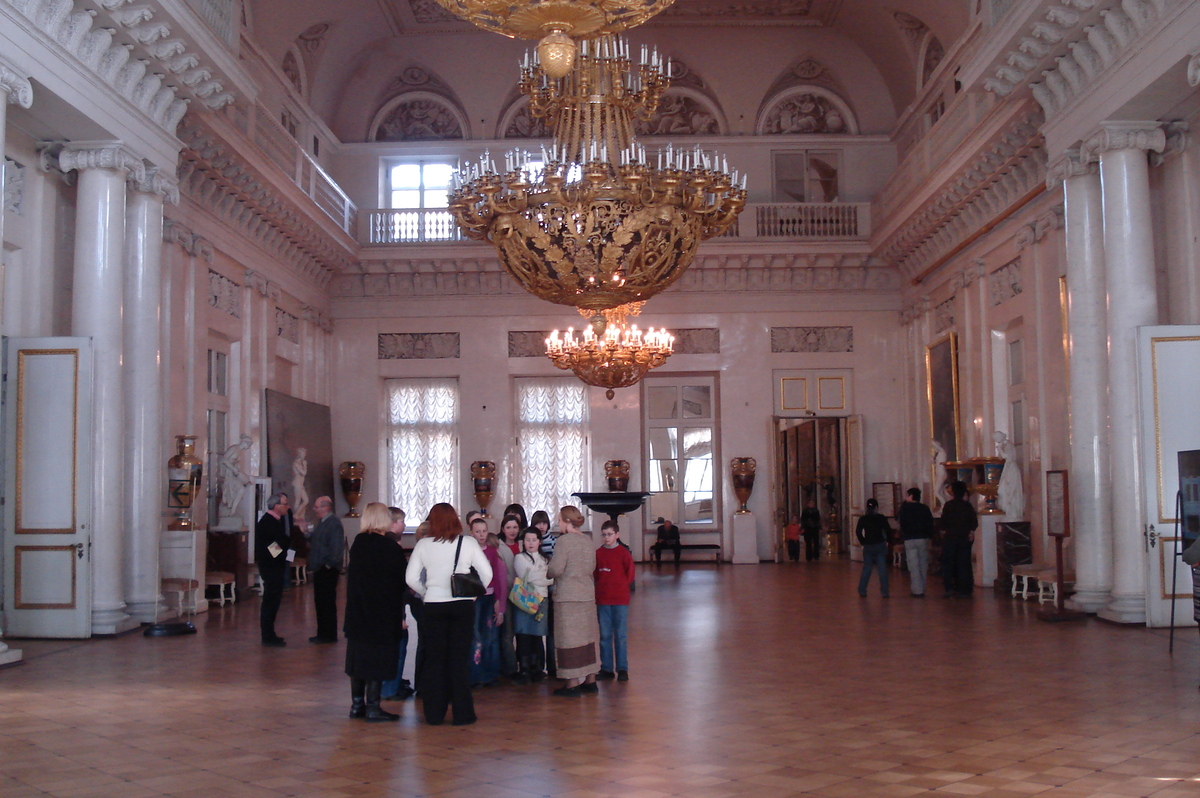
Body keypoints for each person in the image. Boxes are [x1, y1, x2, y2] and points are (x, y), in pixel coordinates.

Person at [405, 503, 492, 726]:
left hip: (434, 605)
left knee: (435, 660)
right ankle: (463, 714)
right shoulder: (468, 542)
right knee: (459, 660)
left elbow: (411, 578)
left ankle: (434, 714)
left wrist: (426, 593)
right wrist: (471, 596)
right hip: (462, 606)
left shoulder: (424, 545)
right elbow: (487, 573)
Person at [342, 503, 407, 722]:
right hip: (381, 614)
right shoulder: (389, 548)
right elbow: (399, 584)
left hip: (358, 612)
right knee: (377, 660)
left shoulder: (358, 544)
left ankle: (356, 705)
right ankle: (373, 706)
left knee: (358, 659)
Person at [546, 505, 600, 696]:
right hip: (586, 594)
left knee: (568, 640)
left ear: (567, 521)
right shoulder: (587, 540)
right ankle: (591, 680)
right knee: (588, 638)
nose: (558, 524)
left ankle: (572, 683)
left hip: (568, 597)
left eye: (559, 520)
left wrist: (547, 568)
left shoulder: (564, 542)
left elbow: (556, 569)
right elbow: (592, 566)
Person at [381, 507, 415, 701]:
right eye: (402, 521)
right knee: (399, 647)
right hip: (393, 609)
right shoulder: (391, 547)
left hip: (389, 608)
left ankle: (393, 683)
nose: (403, 525)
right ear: (393, 523)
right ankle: (391, 688)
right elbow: (398, 583)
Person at [468, 517, 506, 688]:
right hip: (474, 598)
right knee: (475, 636)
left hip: (489, 598)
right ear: (471, 533)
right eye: (478, 531)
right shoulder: (467, 551)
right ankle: (474, 676)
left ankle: (489, 674)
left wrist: (498, 599)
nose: (481, 535)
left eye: (484, 531)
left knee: (489, 636)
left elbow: (496, 577)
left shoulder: (491, 551)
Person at [594, 520, 634, 682]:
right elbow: (595, 574)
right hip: (603, 599)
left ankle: (622, 668)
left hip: (620, 599)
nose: (606, 538)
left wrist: (621, 586)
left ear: (617, 535)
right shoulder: (598, 553)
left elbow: (630, 574)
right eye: (604, 535)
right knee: (604, 635)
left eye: (610, 534)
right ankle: (607, 668)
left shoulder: (624, 553)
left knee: (620, 635)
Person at [513, 528, 552, 681]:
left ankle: (537, 668)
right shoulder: (519, 558)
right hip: (525, 599)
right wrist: (542, 575)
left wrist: (537, 575)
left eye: (534, 540)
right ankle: (524, 668)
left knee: (538, 634)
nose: (530, 543)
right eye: (527, 540)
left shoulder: (546, 559)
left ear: (539, 542)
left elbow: (551, 578)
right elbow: (525, 577)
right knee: (523, 634)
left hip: (542, 599)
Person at [254, 492, 292, 647]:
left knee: (274, 601)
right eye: (285, 504)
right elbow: (269, 547)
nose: (287, 507)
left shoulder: (276, 520)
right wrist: (283, 551)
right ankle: (267, 635)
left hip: (274, 566)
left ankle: (270, 633)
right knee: (270, 602)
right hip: (271, 567)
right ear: (277, 506)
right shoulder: (267, 522)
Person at [308, 495, 344, 643]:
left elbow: (336, 548)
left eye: (316, 507)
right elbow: (318, 541)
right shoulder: (322, 522)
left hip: (327, 569)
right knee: (321, 602)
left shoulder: (333, 523)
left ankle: (328, 634)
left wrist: (328, 565)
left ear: (326, 508)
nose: (314, 509)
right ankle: (322, 633)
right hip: (320, 568)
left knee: (327, 602)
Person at [941, 480, 978, 598]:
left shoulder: (949, 505)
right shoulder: (967, 506)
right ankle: (964, 589)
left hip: (950, 538)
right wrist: (970, 531)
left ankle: (949, 588)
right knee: (964, 564)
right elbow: (974, 522)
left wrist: (945, 530)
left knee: (949, 564)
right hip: (964, 539)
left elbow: (943, 522)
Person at [497, 513, 523, 680]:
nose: (512, 531)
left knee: (522, 632)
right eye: (508, 528)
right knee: (507, 633)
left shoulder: (523, 544)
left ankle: (525, 665)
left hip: (523, 595)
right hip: (507, 595)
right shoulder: (499, 547)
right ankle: (510, 669)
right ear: (503, 529)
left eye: (515, 527)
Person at [898, 487, 935, 597]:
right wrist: (929, 537)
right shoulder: (925, 508)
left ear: (911, 496)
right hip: (923, 538)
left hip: (909, 539)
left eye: (907, 495)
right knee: (923, 564)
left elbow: (902, 524)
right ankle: (922, 588)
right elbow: (930, 524)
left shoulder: (904, 509)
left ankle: (917, 590)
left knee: (913, 566)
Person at [856, 498, 891, 598]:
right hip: (880, 544)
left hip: (868, 545)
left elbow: (858, 532)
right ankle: (885, 592)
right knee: (882, 569)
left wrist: (863, 541)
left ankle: (862, 590)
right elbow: (888, 530)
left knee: (867, 569)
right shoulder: (881, 518)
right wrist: (888, 541)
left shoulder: (863, 518)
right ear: (877, 507)